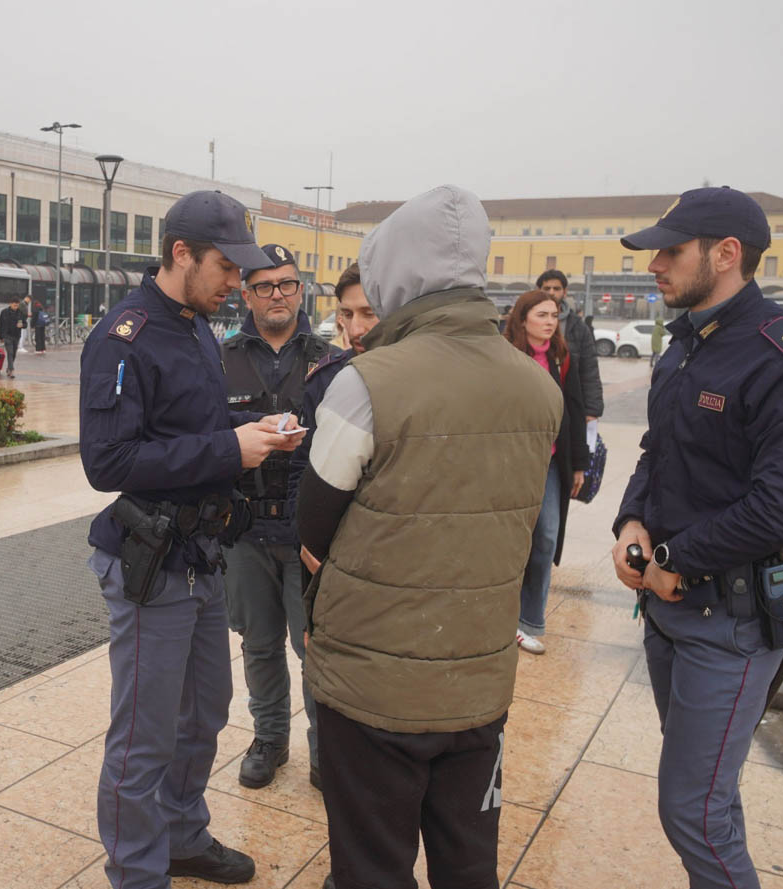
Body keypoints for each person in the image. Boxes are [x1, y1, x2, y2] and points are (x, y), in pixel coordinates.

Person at [296, 186, 562, 889]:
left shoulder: (367, 383)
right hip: (477, 681)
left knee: (373, 866)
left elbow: (313, 522)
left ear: (393, 273)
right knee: (467, 862)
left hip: (373, 686)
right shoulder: (538, 389)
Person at [610, 186, 783, 889]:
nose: (654, 263)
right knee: (708, 794)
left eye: (670, 250)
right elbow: (658, 450)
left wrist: (676, 559)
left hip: (733, 620)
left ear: (727, 254)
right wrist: (632, 522)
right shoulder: (682, 346)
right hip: (668, 609)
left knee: (691, 811)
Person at [79, 190, 304, 889]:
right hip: (153, 563)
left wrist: (255, 435)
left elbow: (194, 433)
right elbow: (106, 462)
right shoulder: (125, 336)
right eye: (226, 268)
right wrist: (228, 449)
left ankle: (180, 835)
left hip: (204, 558)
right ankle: (138, 871)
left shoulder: (199, 328)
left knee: (205, 713)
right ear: (180, 253)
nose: (237, 283)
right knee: (143, 737)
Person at [220, 243, 341, 791]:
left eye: (287, 284)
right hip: (243, 527)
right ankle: (270, 738)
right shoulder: (219, 358)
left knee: (313, 645)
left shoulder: (329, 358)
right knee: (259, 643)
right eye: (264, 285)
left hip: (307, 531)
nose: (277, 295)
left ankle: (325, 747)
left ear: (301, 290)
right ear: (246, 293)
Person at [502, 290, 588, 655]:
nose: (551, 321)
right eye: (542, 314)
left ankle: (530, 620)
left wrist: (579, 463)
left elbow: (576, 407)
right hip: (511, 462)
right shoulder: (505, 357)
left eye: (554, 314)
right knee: (510, 540)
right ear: (523, 319)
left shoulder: (561, 358)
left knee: (546, 536)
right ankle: (501, 618)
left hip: (551, 461)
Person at [291, 261, 376, 576]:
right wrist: (305, 543)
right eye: (347, 314)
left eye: (369, 313)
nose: (355, 329)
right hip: (324, 555)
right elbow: (301, 467)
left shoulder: (422, 381)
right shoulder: (326, 377)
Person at [536, 269, 604, 422]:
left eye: (557, 288)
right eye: (547, 288)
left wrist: (592, 410)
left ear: (565, 292)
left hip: (568, 403)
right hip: (534, 401)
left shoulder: (578, 327)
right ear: (538, 291)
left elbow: (589, 370)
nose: (552, 292)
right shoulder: (524, 322)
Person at [0, 296, 25, 379]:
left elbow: (25, 324)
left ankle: (9, 367)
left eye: (17, 305)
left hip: (16, 336)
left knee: (14, 354)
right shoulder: (4, 312)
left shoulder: (20, 313)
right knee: (10, 352)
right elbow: (0, 325)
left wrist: (22, 325)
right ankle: (11, 370)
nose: (16, 307)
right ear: (10, 304)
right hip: (7, 335)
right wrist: (1, 337)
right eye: (14, 305)